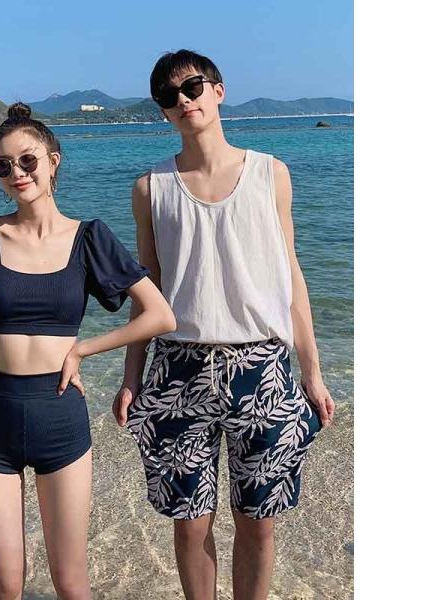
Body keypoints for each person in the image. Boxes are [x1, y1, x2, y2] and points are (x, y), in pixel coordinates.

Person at [0, 102, 176, 600]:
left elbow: (160, 315)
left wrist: (83, 350)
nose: (17, 173)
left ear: (53, 161)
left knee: (70, 583)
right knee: (6, 584)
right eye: (3, 166)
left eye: (27, 160)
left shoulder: (90, 238)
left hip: (59, 416)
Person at [113, 50, 335, 600]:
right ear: (162, 111)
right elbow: (147, 288)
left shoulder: (270, 173)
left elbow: (291, 276)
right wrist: (131, 376)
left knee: (258, 521)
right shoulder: (150, 187)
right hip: (177, 369)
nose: (182, 100)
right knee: (189, 523)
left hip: (262, 366)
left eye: (192, 87)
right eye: (169, 96)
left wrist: (312, 371)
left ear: (218, 90)